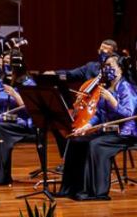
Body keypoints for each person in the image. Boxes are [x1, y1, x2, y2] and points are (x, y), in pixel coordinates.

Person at [59, 53, 136, 201]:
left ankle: (96, 192)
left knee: (95, 144)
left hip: (124, 132)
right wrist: (86, 126)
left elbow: (128, 113)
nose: (106, 69)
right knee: (77, 141)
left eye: (110, 66)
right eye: (105, 66)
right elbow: (99, 114)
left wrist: (112, 100)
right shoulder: (105, 87)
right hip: (107, 130)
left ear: (120, 69)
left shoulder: (126, 87)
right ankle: (71, 188)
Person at [0, 53, 37, 186]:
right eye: (5, 62)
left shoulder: (28, 82)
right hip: (3, 121)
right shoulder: (0, 82)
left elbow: (32, 109)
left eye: (9, 62)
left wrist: (15, 94)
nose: (7, 64)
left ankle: (0, 175)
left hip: (22, 124)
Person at [51, 39, 118, 82]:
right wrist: (55, 74)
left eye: (107, 53)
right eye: (101, 51)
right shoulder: (90, 67)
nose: (103, 55)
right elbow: (70, 75)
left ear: (114, 55)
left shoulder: (118, 69)